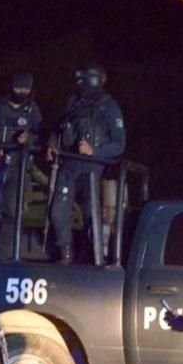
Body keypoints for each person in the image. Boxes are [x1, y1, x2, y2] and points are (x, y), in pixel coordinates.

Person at [46, 64, 125, 264]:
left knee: (92, 217)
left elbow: (119, 144)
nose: (79, 84)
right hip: (70, 165)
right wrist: (52, 145)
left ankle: (95, 257)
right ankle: (65, 253)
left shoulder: (109, 107)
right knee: (58, 212)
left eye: (83, 80)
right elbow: (59, 128)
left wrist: (95, 151)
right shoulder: (73, 103)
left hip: (93, 169)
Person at [0, 73, 42, 260]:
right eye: (18, 88)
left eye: (26, 89)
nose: (22, 92)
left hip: (19, 167)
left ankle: (7, 256)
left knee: (13, 212)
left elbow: (41, 133)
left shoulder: (32, 110)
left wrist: (29, 139)